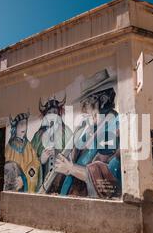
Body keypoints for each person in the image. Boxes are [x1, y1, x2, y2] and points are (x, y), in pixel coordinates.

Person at [52, 69, 122, 199]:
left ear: (104, 99)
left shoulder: (115, 128)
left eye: (88, 102)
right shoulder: (89, 129)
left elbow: (108, 177)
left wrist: (71, 169)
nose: (84, 109)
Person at [31, 96, 73, 193]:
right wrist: (41, 159)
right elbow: (30, 160)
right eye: (49, 113)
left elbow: (73, 155)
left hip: (61, 179)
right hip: (43, 182)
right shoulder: (38, 136)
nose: (52, 116)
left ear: (59, 114)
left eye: (54, 112)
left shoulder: (67, 132)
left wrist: (58, 153)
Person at [4, 113, 41, 193]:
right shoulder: (9, 147)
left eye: (25, 124)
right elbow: (8, 168)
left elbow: (35, 163)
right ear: (15, 127)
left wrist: (24, 179)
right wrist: (17, 180)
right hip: (15, 185)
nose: (24, 127)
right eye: (21, 124)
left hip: (26, 184)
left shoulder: (29, 146)